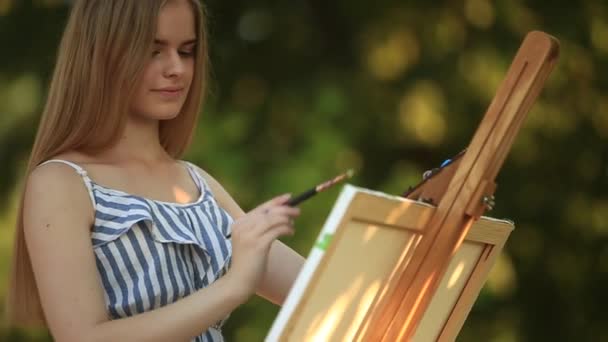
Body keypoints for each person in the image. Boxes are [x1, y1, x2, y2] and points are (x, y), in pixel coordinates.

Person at [6, 1, 305, 341]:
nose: (176, 68)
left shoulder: (196, 182)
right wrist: (233, 288)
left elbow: (318, 289)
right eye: (153, 51)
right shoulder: (61, 183)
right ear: (103, 54)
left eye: (187, 51)